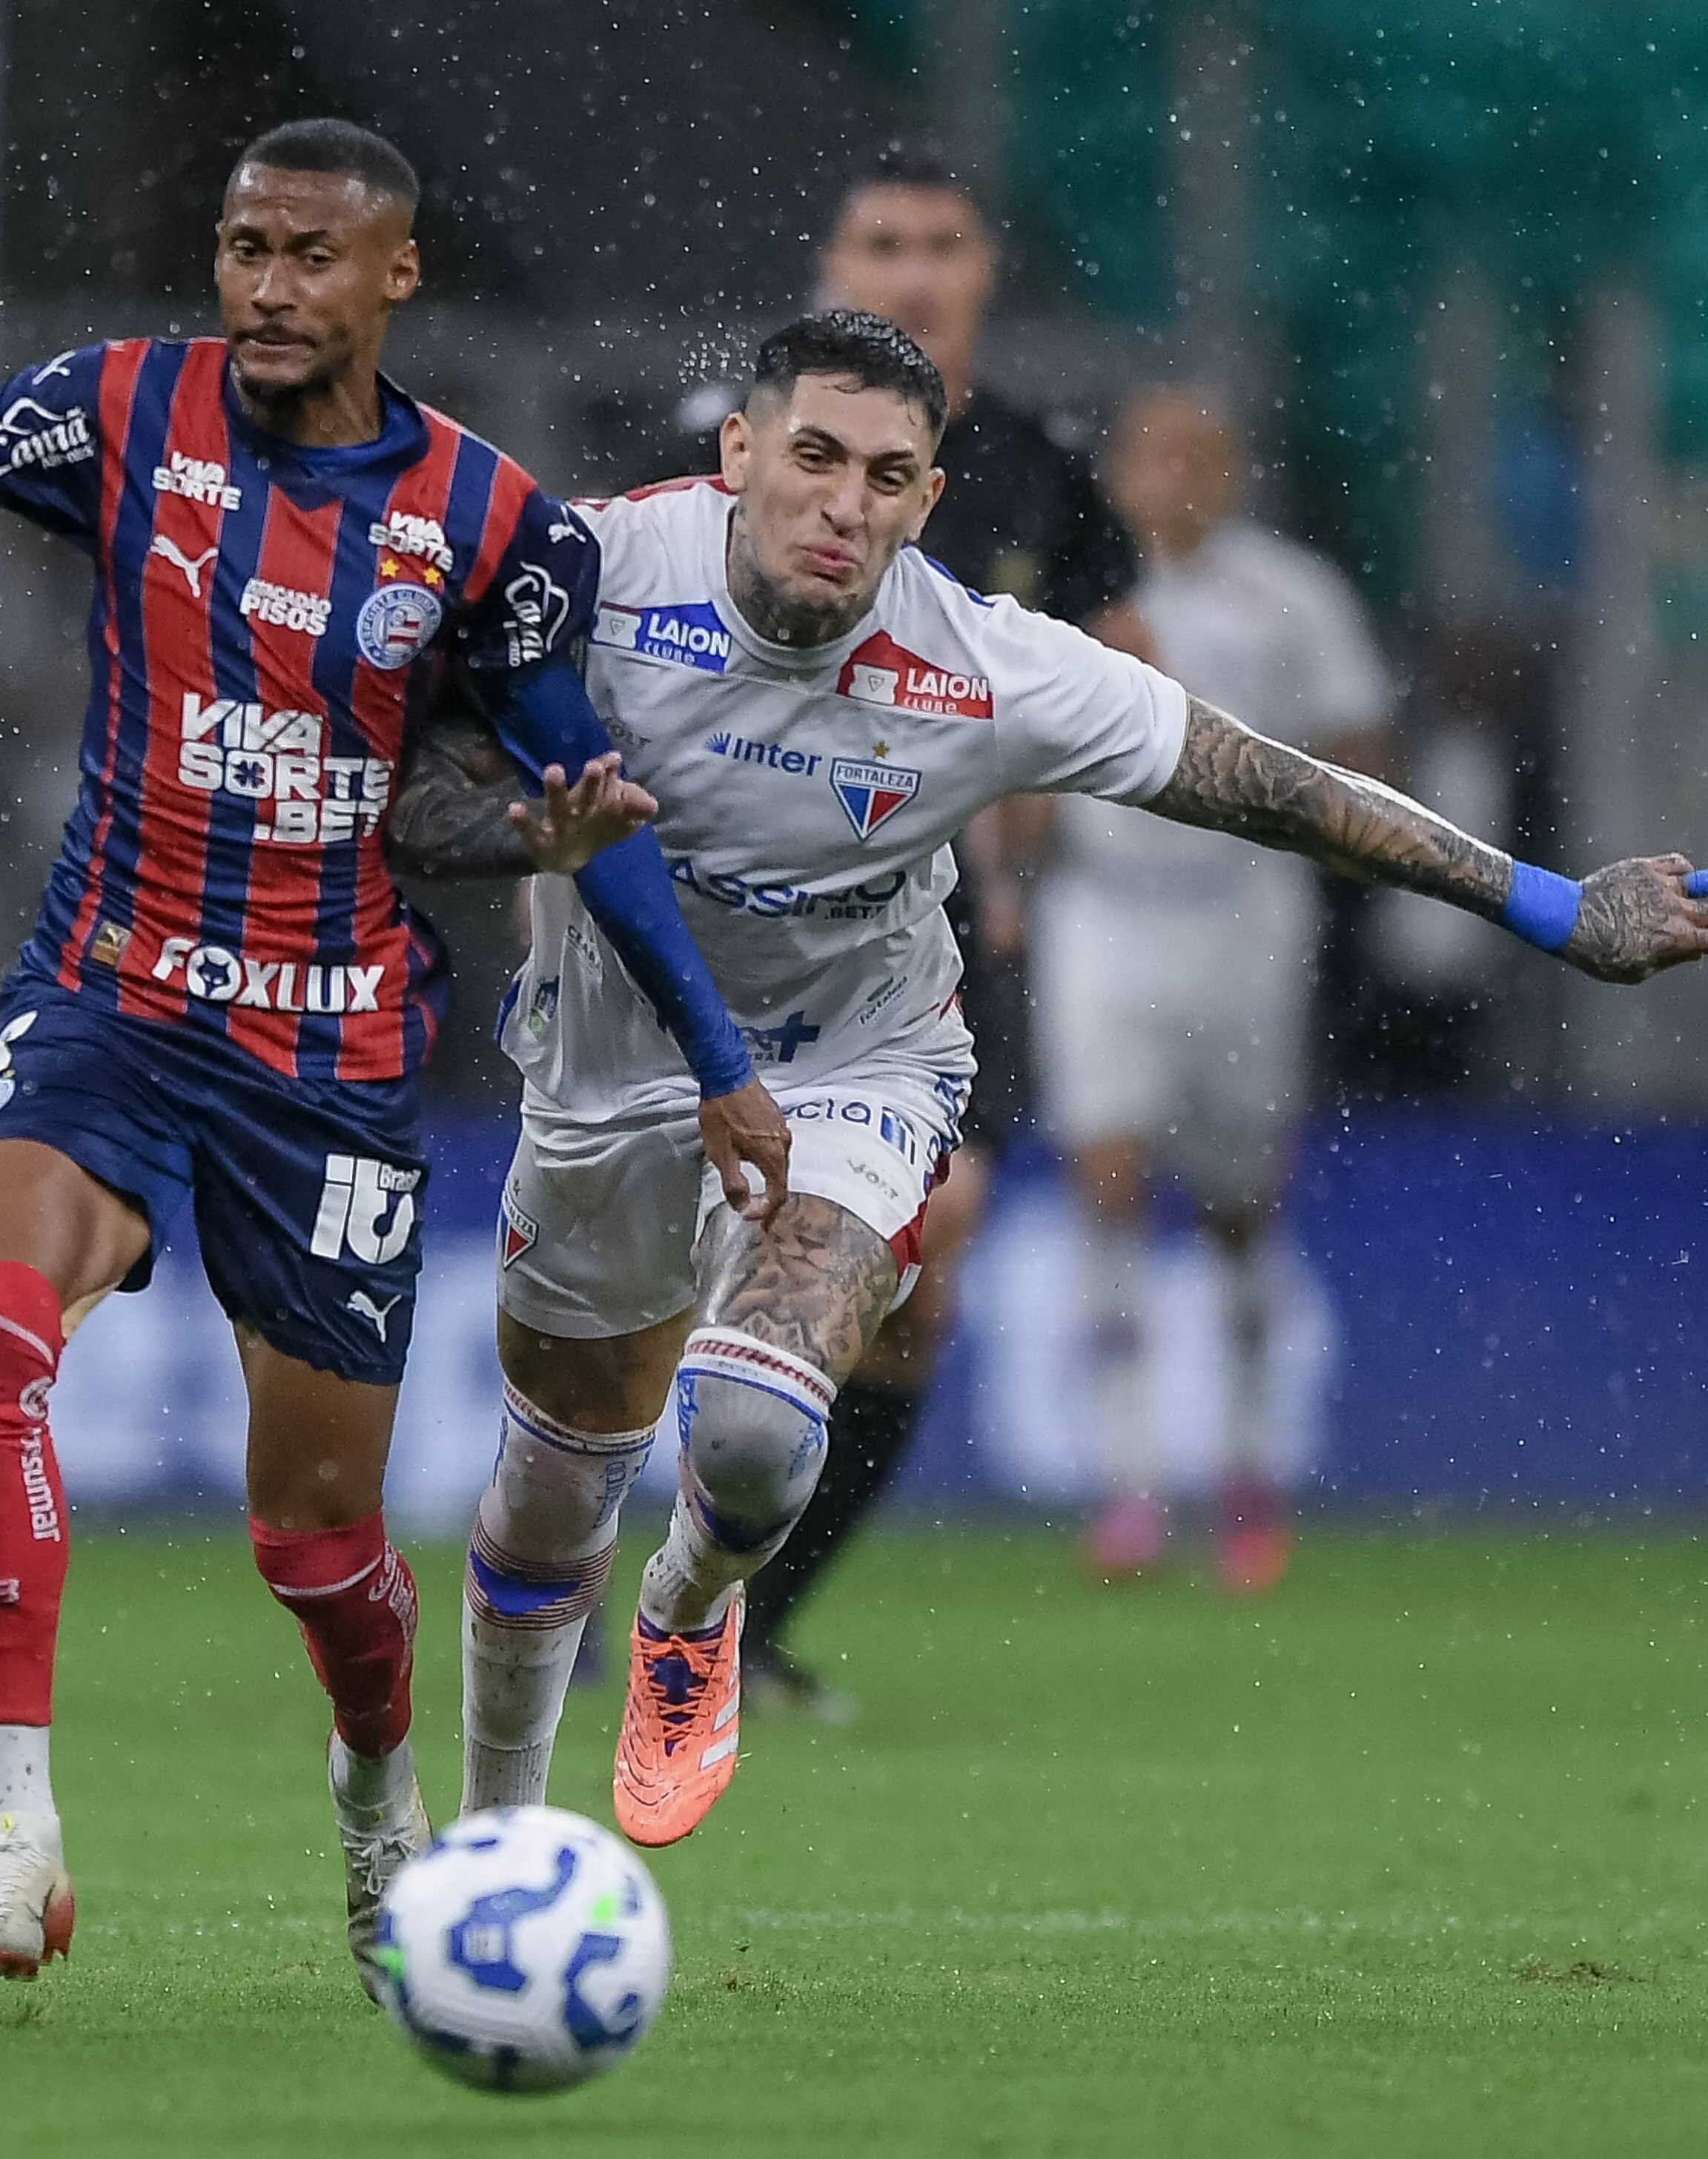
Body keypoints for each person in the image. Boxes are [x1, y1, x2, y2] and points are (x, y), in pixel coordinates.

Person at [0, 119, 789, 1988]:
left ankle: (377, 1807)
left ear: (394, 276)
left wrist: (713, 1055)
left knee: (316, 1539)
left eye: (307, 254)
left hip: (330, 1056)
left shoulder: (485, 521)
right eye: (239, 248)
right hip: (111, 996)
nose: (267, 287)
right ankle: (15, 1830)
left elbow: (542, 798)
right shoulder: (121, 411)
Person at [397, 309, 1708, 1848]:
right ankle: (489, 1848)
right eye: (809, 458)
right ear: (734, 455)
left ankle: (689, 1610)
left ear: (928, 499)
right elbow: (414, 784)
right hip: (604, 1073)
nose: (843, 502)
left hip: (857, 1063)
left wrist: (1547, 905)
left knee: (745, 1431)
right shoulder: (585, 572)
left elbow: (1279, 785)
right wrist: (522, 834)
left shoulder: (986, 662)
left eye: (886, 474)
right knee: (542, 1496)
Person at [655, 145, 1156, 1715]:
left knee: (924, 1273)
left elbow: (1118, 668)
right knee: (641, 1283)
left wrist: (1019, 832)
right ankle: (597, 1564)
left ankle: (739, 1614)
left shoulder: (1033, 467)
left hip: (941, 936)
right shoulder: (717, 452)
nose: (914, 271)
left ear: (985, 272)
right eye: (882, 241)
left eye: (943, 242)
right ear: (831, 263)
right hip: (701, 936)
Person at [1035, 386, 1397, 1591]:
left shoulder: (1295, 595)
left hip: (1243, 912)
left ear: (1237, 472)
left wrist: (1274, 782)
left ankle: (1248, 1467)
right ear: (1123, 471)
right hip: (1102, 913)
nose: (1178, 476)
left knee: (1240, 1205)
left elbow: (1369, 753)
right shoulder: (1070, 588)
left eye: (1204, 455)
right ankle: (1132, 1484)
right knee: (1109, 1178)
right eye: (1156, 454)